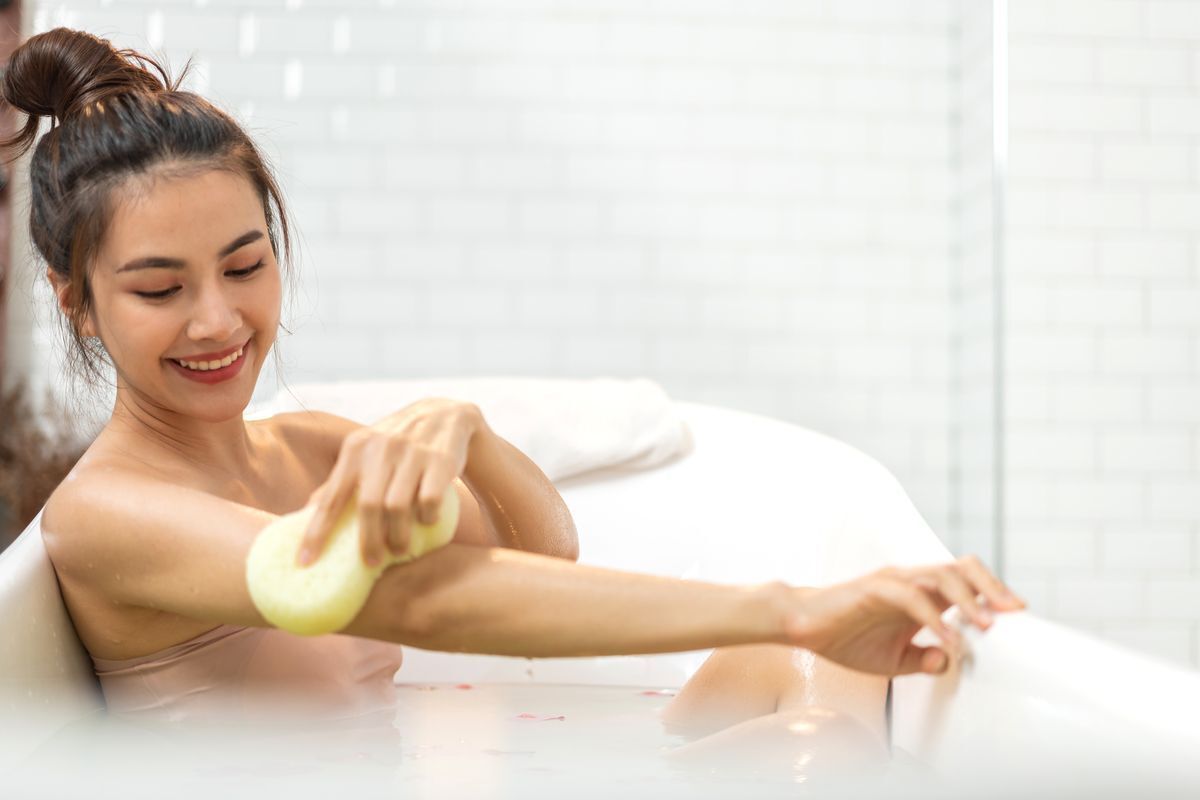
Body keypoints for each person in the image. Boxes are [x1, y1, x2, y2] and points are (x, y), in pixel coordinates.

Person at [3, 27, 1023, 768]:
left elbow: (542, 554)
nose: (219, 319)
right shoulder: (107, 513)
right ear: (77, 301)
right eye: (159, 290)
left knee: (796, 668)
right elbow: (427, 600)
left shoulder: (303, 447)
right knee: (820, 735)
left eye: (244, 265)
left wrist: (468, 429)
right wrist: (802, 609)